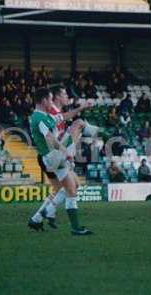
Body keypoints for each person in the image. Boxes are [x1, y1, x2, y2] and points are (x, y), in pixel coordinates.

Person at [27, 87, 93, 236]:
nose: (51, 102)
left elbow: (64, 116)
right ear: (44, 101)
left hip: (51, 156)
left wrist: (81, 107)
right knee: (78, 125)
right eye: (50, 99)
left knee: (72, 186)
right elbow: (49, 138)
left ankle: (37, 218)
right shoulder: (39, 118)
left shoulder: (43, 116)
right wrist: (66, 151)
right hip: (53, 156)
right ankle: (75, 228)